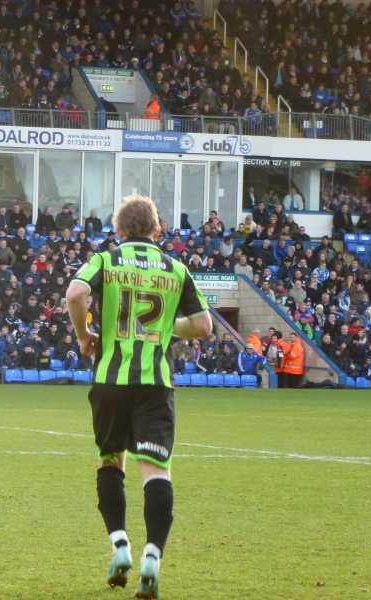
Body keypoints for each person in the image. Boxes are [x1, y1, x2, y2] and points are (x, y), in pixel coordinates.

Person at [65, 195, 212, 599]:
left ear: (119, 230)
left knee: (111, 461)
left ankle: (119, 546)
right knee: (157, 471)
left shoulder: (107, 259)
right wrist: (166, 327)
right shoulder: (176, 268)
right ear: (157, 230)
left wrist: (84, 336)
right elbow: (203, 326)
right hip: (155, 383)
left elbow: (75, 294)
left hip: (111, 380)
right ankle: (152, 556)